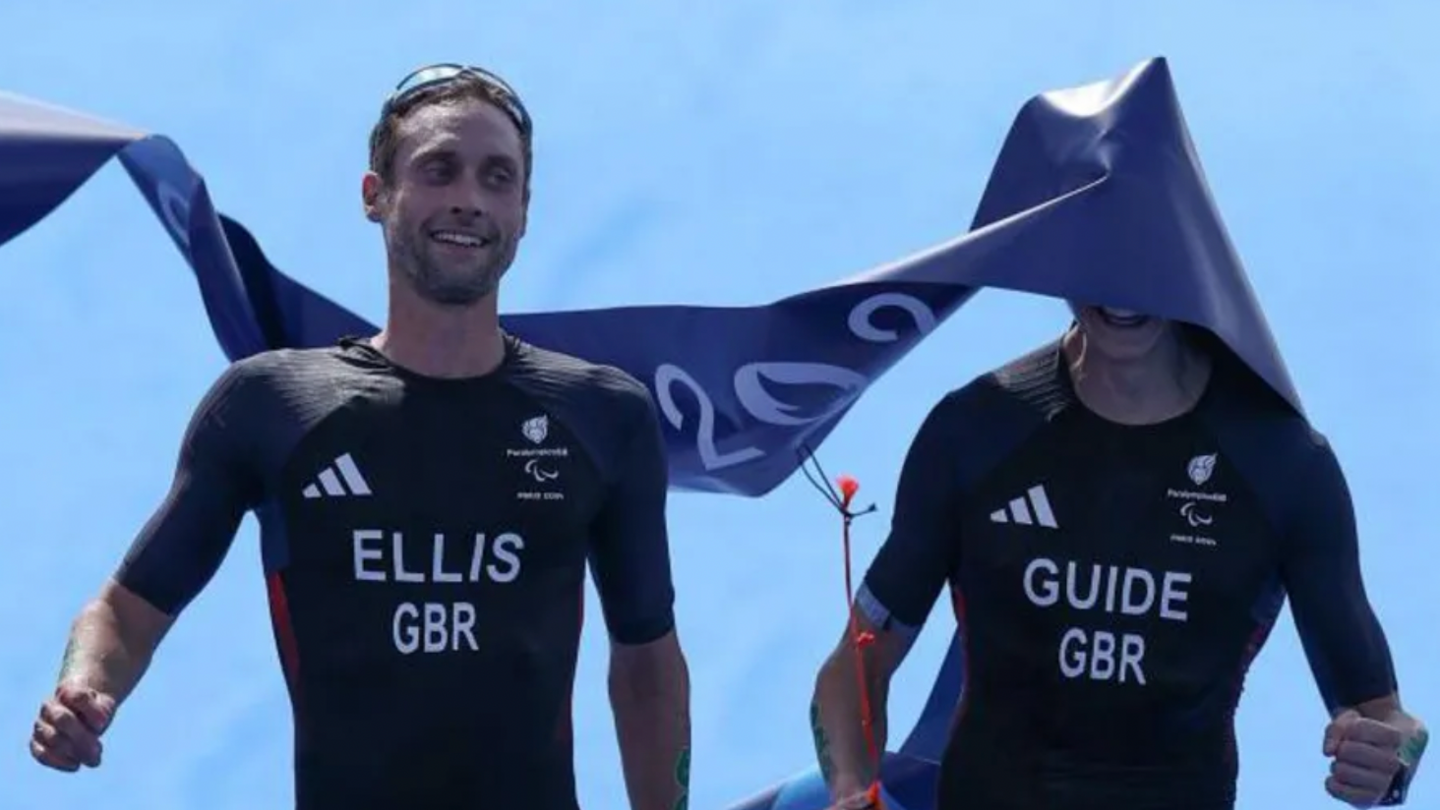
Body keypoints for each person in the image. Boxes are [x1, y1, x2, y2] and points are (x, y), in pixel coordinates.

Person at [28, 63, 692, 810]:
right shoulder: (269, 405)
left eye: (497, 177)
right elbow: (127, 609)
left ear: (525, 209)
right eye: (439, 170)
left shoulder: (604, 415)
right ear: (375, 195)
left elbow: (645, 663)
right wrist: (82, 687)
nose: (469, 199)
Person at [808, 304, 1428, 809]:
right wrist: (850, 792)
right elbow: (854, 668)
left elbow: (1388, 719)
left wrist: (1389, 764)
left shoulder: (1284, 465)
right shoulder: (975, 433)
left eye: (1148, 259)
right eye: (1102, 259)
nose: (1122, 291)